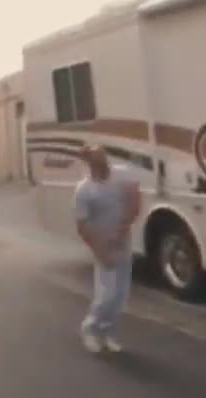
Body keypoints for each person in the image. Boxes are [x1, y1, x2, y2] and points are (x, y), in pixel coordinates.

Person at [73, 144, 141, 353]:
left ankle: (106, 332)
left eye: (104, 156)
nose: (105, 161)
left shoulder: (121, 176)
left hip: (122, 243)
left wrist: (123, 228)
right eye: (99, 158)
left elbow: (135, 200)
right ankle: (89, 330)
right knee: (106, 295)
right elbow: (82, 226)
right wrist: (100, 252)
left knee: (121, 295)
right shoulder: (84, 189)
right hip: (104, 247)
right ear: (90, 163)